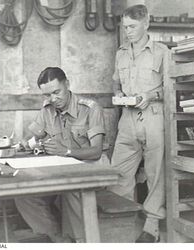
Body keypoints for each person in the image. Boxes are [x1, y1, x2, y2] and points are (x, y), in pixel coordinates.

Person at [14, 67, 107, 243]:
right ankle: (59, 239)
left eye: (57, 92)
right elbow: (34, 134)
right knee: (25, 195)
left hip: (90, 171)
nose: (53, 99)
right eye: (47, 95)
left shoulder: (90, 108)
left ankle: (81, 241)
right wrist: (24, 143)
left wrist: (67, 151)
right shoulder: (47, 109)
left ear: (68, 84)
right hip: (61, 173)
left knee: (71, 190)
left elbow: (96, 151)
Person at [108, 4, 166, 243]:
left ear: (146, 23)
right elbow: (115, 83)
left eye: (132, 27)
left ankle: (151, 227)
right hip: (128, 119)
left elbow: (171, 89)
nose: (127, 32)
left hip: (153, 116)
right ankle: (119, 224)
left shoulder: (162, 52)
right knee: (118, 172)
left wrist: (150, 96)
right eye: (125, 27)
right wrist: (120, 94)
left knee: (156, 173)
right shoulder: (120, 52)